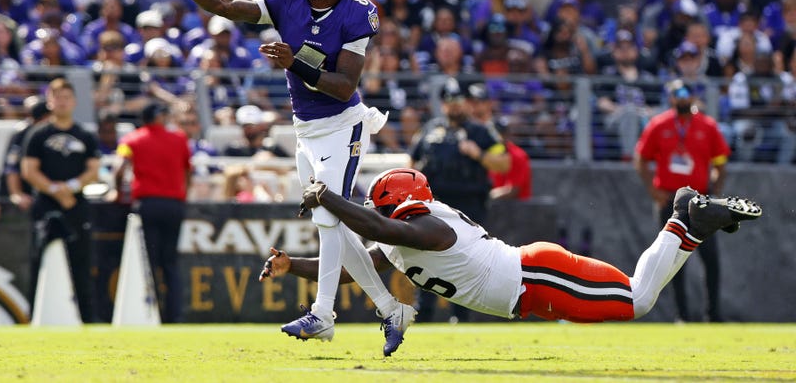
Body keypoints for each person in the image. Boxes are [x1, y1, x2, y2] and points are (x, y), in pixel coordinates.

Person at [156, 0, 414, 355]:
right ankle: (390, 307)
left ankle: (324, 315)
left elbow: (345, 84)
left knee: (329, 217)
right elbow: (227, 6)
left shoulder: (356, 13)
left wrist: (295, 62)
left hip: (341, 123)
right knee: (333, 227)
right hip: (304, 129)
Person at [261, 168, 761, 356]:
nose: (378, 211)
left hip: (535, 276)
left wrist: (327, 196)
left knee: (639, 300)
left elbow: (380, 228)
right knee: (638, 299)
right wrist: (294, 266)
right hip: (527, 291)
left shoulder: (428, 225)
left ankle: (684, 218)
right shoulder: (405, 230)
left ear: (400, 202)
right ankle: (689, 222)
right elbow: (354, 268)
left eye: (383, 203)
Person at [409, 77, 510, 322]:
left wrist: (479, 153)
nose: (454, 106)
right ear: (443, 104)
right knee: (428, 257)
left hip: (469, 206)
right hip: (436, 206)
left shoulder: (481, 131)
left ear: (467, 103)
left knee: (466, 261)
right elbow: (412, 166)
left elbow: (504, 163)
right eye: (449, 101)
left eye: (459, 100)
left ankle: (461, 316)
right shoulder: (431, 130)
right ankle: (424, 313)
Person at [633, 79, 732, 322]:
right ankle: (682, 316)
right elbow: (641, 158)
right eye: (677, 93)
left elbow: (721, 163)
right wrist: (651, 190)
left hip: (700, 201)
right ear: (671, 98)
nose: (683, 97)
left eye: (687, 92)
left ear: (694, 97)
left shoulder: (707, 126)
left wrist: (715, 193)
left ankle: (713, 314)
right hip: (670, 200)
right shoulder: (660, 124)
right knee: (672, 261)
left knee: (711, 259)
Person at [20, 78, 101, 322]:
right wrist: (55, 190)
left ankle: (86, 319)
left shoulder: (85, 135)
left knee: (81, 261)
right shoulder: (38, 134)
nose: (63, 102)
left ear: (74, 101)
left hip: (76, 204)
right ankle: (35, 317)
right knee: (39, 260)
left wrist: (72, 187)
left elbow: (94, 170)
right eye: (58, 97)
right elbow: (28, 170)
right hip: (46, 204)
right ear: (50, 101)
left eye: (67, 97)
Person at [114, 101, 192, 323]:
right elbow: (188, 172)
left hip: (147, 204)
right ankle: (173, 315)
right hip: (174, 204)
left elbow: (119, 169)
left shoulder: (131, 140)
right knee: (170, 263)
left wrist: (118, 192)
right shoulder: (179, 138)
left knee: (147, 262)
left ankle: (150, 312)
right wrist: (182, 194)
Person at [0, 96, 50, 218]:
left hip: (38, 195)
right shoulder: (23, 134)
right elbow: (12, 166)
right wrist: (17, 193)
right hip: (16, 198)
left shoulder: (49, 133)